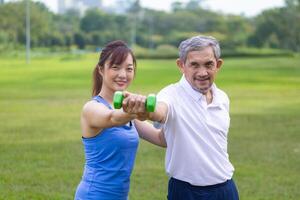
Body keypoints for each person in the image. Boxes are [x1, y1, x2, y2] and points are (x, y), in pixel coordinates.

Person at [125, 35, 239, 199]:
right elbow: (160, 110)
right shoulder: (170, 94)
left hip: (225, 189)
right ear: (181, 65)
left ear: (218, 65)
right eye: (194, 65)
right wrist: (144, 109)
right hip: (186, 192)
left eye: (208, 64)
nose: (202, 72)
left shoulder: (222, 97)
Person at [74, 40, 166, 200]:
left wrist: (174, 113)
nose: (123, 74)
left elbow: (161, 139)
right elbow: (113, 118)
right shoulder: (92, 108)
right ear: (101, 70)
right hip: (93, 195)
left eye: (129, 69)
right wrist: (136, 109)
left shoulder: (130, 114)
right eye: (115, 67)